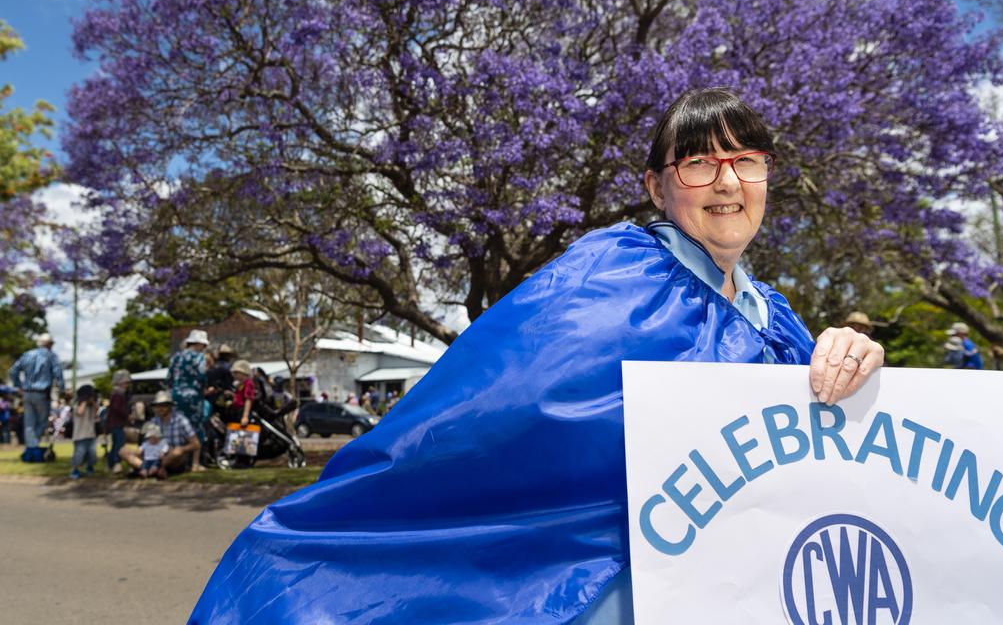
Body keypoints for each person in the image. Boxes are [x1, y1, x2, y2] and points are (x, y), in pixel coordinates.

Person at [191, 88, 884, 624]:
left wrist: (849, 360)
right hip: (606, 590)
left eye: (747, 163)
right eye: (700, 162)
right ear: (657, 187)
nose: (728, 184)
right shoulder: (612, 276)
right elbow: (498, 404)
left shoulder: (780, 316)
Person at [119, 391, 200, 479]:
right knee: (123, 451)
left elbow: (196, 444)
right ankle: (153, 470)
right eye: (157, 405)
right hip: (154, 455)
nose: (159, 408)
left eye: (163, 405)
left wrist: (181, 449)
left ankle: (147, 469)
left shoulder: (181, 421)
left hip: (173, 459)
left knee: (177, 452)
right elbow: (147, 443)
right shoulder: (153, 421)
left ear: (170, 406)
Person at [9, 333, 65, 452]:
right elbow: (58, 374)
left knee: (29, 423)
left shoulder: (27, 354)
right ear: (49, 344)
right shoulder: (51, 356)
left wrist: (19, 386)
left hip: (27, 393)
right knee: (43, 422)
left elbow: (13, 371)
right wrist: (62, 391)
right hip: (42, 394)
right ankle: (33, 446)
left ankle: (30, 448)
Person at [167, 329, 209, 471]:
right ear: (199, 344)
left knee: (179, 427)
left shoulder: (175, 357)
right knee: (195, 428)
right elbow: (202, 376)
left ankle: (178, 462)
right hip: (193, 397)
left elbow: (169, 378)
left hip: (176, 395)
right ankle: (195, 463)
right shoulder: (199, 358)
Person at [104, 370, 132, 472]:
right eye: (125, 382)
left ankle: (111, 464)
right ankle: (116, 463)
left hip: (115, 423)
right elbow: (117, 408)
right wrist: (127, 415)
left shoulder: (117, 393)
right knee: (119, 444)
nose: (127, 384)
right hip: (116, 424)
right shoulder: (118, 394)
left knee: (116, 444)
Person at [69, 384, 98, 479]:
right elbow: (80, 412)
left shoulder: (91, 406)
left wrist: (92, 401)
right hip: (79, 435)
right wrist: (84, 401)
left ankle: (90, 467)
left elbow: (96, 409)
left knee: (92, 454)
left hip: (91, 434)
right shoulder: (77, 405)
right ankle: (75, 469)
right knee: (79, 454)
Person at [229, 360, 256, 426]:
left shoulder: (248, 383)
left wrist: (245, 416)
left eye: (236, 373)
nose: (234, 375)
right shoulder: (241, 384)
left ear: (243, 372)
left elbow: (248, 399)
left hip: (242, 411)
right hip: (237, 410)